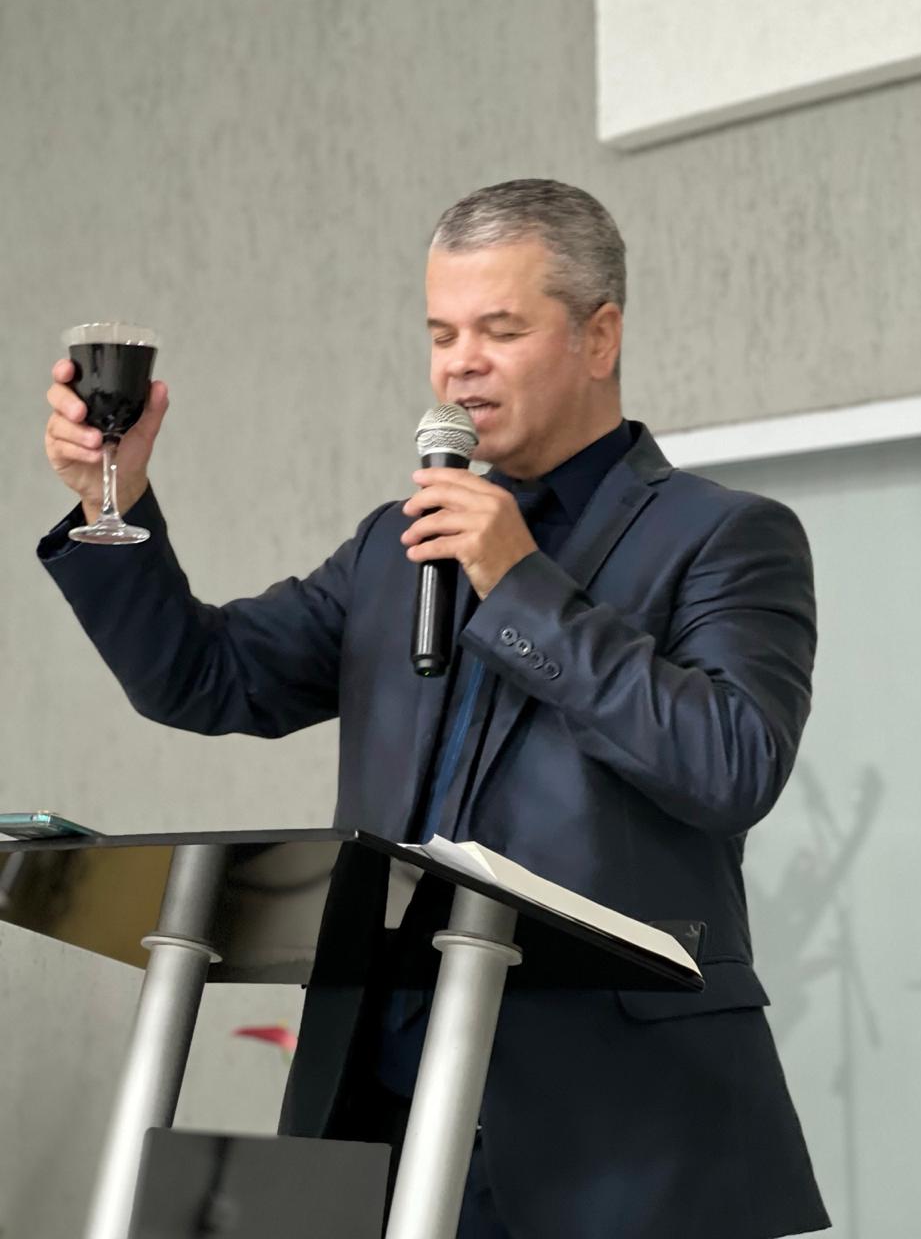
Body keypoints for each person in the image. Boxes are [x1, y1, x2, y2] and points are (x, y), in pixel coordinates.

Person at [40, 179, 829, 1238]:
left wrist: (522, 586)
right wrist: (116, 500)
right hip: (383, 1119)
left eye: (500, 329)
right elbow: (205, 675)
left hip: (619, 1138)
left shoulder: (726, 535)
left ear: (600, 336)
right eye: (442, 332)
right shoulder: (395, 541)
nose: (460, 363)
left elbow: (731, 762)